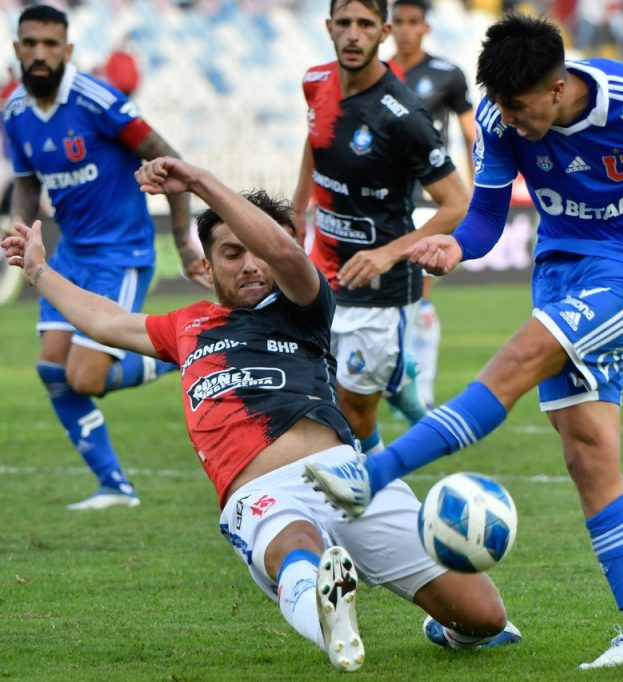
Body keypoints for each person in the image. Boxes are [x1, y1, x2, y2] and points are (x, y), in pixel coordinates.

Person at [304, 14, 623, 670]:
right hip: (561, 277)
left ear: (558, 88)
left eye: (519, 106)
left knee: (517, 359)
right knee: (588, 456)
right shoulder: (501, 122)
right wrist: (453, 244)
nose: (507, 118)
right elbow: (488, 218)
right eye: (499, 104)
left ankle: (371, 475)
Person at [2, 156, 519, 673]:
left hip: (350, 478)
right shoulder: (186, 326)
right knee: (295, 544)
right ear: (206, 266)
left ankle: (432, 625)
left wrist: (201, 180)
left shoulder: (302, 303)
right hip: (259, 490)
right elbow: (108, 320)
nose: (250, 264)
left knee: (485, 619)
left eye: (257, 251)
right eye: (231, 253)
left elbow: (282, 250)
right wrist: (39, 270)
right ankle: (330, 621)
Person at [2, 5, 205, 510]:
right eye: (31, 43)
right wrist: (24, 231)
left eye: (51, 44)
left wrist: (184, 245)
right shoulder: (15, 112)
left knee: (85, 378)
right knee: (54, 371)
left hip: (122, 252)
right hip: (69, 256)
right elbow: (27, 182)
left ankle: (191, 352)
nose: (40, 53)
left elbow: (170, 161)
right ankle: (116, 487)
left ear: (68, 51)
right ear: (17, 50)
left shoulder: (97, 101)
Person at [291, 0, 468, 457]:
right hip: (323, 266)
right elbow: (316, 141)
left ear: (382, 32)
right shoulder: (315, 82)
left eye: (365, 24)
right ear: (329, 27)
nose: (353, 34)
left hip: (378, 287)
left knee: (354, 412)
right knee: (322, 397)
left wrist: (389, 253)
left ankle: (379, 497)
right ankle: (397, 379)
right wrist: (296, 210)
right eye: (344, 23)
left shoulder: (403, 114)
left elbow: (455, 203)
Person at [387, 0, 478, 413]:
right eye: (399, 22)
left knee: (418, 291)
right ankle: (395, 379)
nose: (406, 30)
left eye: (413, 22)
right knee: (391, 296)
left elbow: (470, 135)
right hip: (386, 202)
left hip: (430, 200)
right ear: (388, 28)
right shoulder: (378, 75)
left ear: (425, 27)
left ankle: (419, 387)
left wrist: (479, 191)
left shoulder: (448, 75)